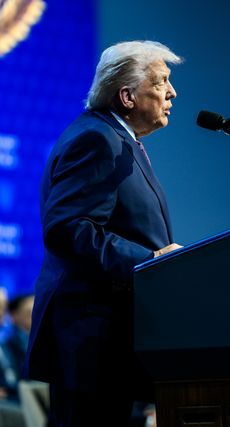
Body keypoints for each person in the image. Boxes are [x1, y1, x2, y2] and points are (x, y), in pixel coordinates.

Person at [24, 40, 183, 427]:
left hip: (113, 341)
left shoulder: (121, 140)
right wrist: (151, 262)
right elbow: (68, 229)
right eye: (161, 81)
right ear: (127, 95)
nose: (172, 92)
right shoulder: (96, 139)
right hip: (91, 340)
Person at [0, 294, 35, 400]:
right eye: (29, 313)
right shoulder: (13, 341)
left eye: (3, 308)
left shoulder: (6, 346)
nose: (2, 314)